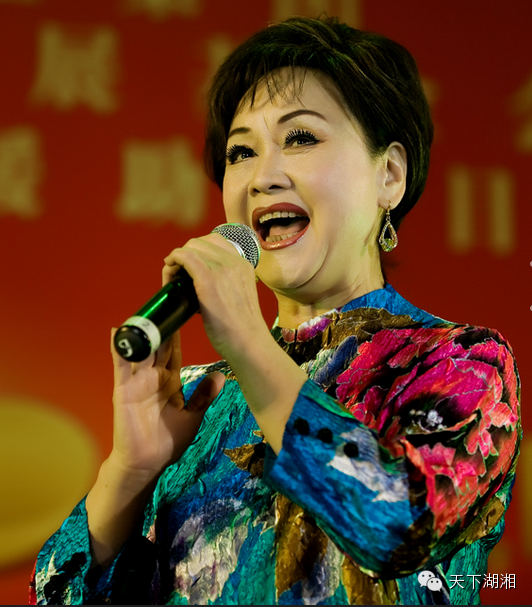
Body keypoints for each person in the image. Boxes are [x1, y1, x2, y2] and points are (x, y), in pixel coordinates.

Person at [31, 15, 521, 605]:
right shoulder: (196, 401)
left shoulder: (460, 364)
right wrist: (130, 473)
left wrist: (247, 343)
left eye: (301, 137)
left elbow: (398, 526)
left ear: (389, 175)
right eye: (241, 152)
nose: (262, 177)